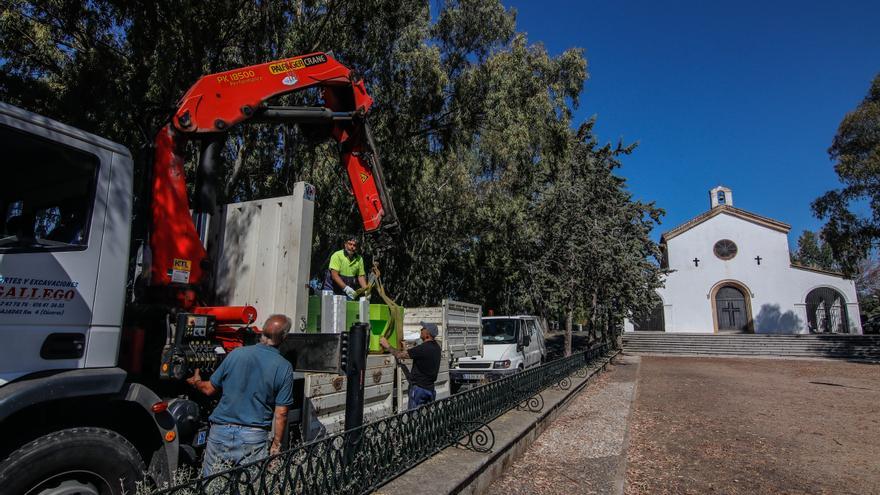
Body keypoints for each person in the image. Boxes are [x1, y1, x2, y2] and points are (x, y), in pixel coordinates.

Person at [187, 314, 294, 476]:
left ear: (262, 331)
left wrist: (196, 382)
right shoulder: (284, 367)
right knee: (248, 487)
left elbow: (209, 389)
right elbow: (281, 413)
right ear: (284, 337)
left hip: (220, 431)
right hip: (253, 436)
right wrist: (276, 445)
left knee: (213, 486)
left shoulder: (236, 354)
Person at [380, 321, 441, 410]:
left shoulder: (423, 348)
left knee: (413, 417)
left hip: (419, 390)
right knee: (427, 419)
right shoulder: (436, 347)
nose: (421, 330)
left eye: (423, 329)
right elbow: (418, 356)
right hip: (430, 389)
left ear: (427, 334)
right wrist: (405, 347)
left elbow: (399, 355)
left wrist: (387, 345)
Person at [324, 235, 368, 299]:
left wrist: (366, 290)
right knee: (331, 308)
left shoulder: (359, 259)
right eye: (350, 244)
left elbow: (360, 276)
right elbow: (334, 275)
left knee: (346, 308)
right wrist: (346, 288)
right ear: (345, 245)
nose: (352, 247)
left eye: (354, 245)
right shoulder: (337, 255)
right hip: (331, 290)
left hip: (346, 291)